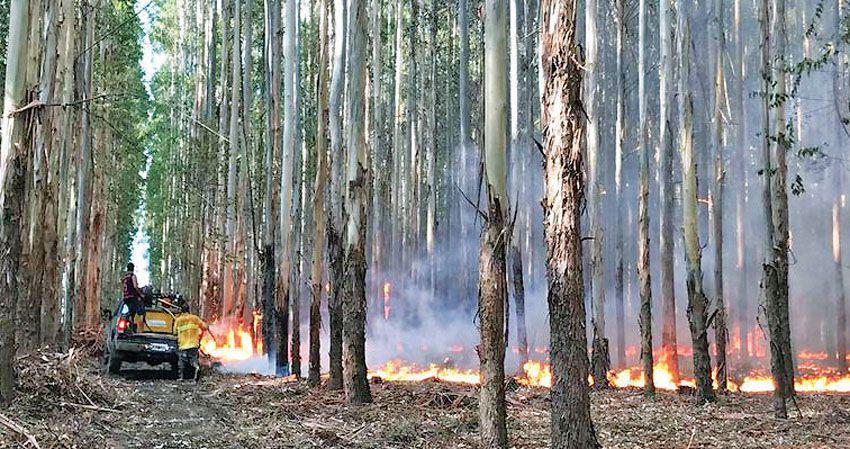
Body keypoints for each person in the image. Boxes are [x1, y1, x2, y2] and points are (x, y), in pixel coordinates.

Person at [175, 303, 208, 382]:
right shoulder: (195, 318)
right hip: (193, 344)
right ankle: (196, 368)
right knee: (193, 360)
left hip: (183, 344)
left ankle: (181, 377)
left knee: (182, 361)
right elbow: (205, 327)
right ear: (189, 310)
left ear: (181, 311)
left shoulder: (178, 319)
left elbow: (174, 331)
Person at [121, 263, 144, 333]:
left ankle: (126, 327)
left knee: (127, 313)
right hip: (132, 297)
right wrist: (140, 294)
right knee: (138, 311)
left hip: (126, 298)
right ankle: (134, 327)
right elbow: (135, 286)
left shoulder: (125, 277)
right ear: (133, 268)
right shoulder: (132, 276)